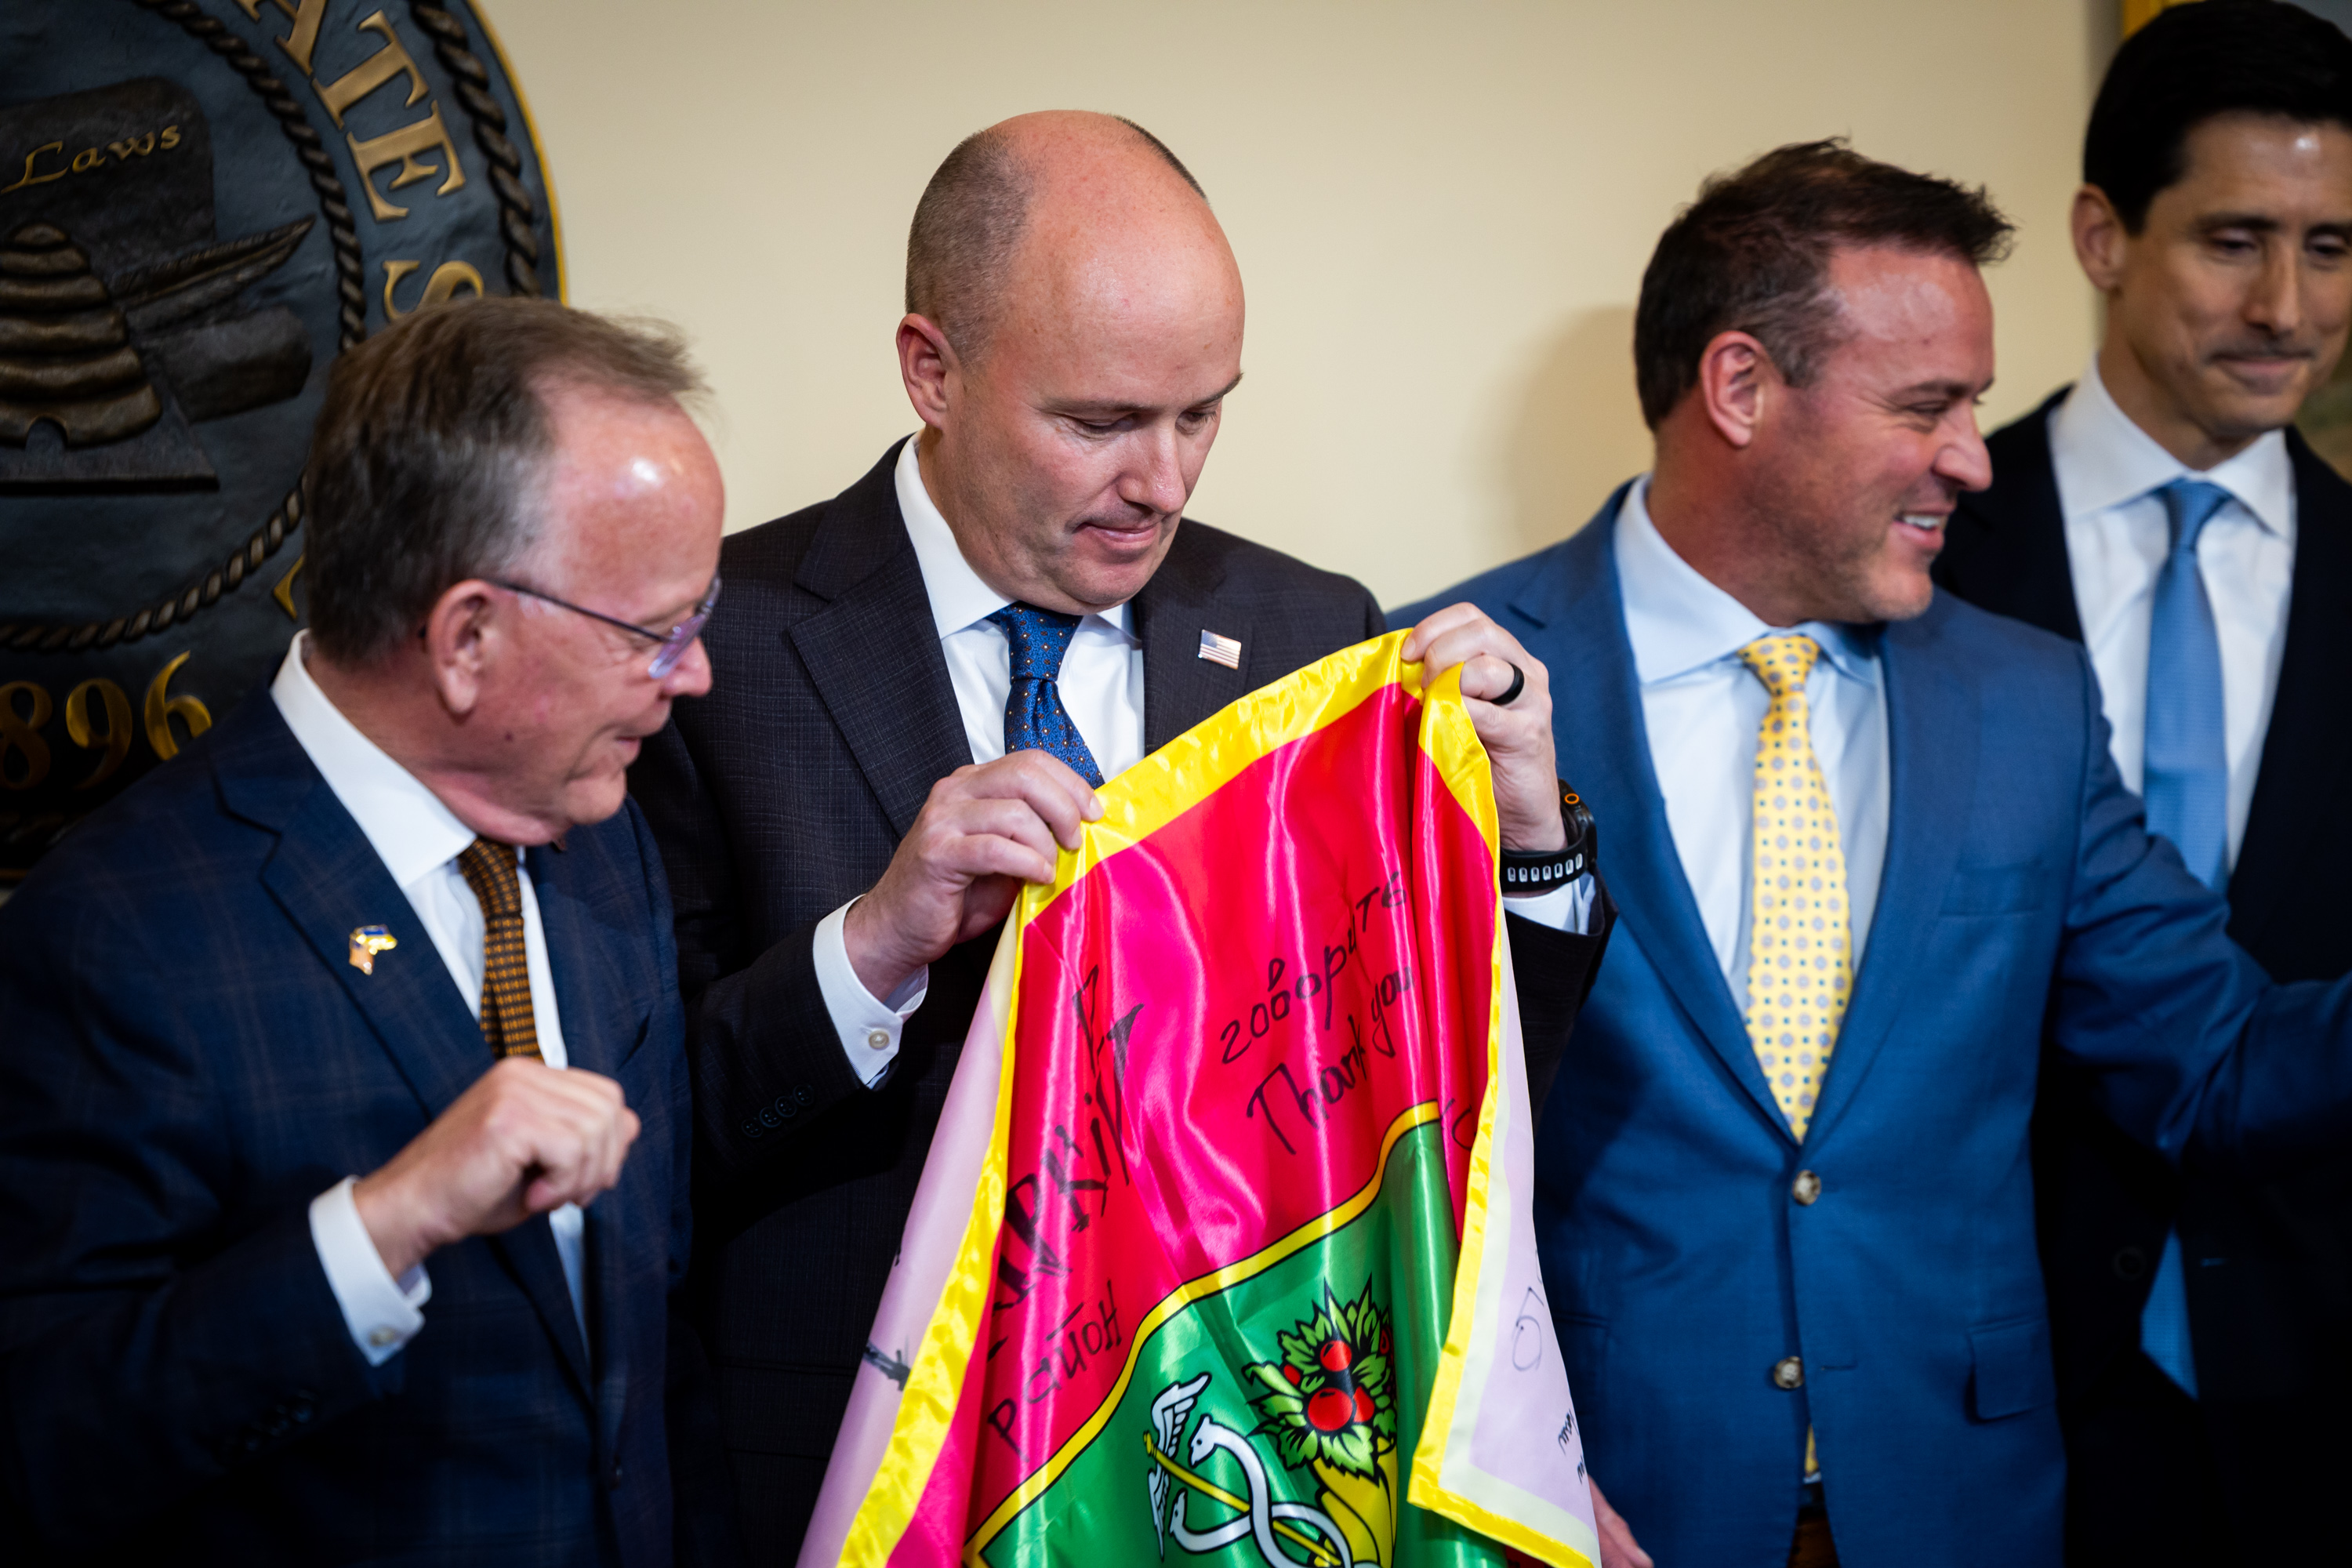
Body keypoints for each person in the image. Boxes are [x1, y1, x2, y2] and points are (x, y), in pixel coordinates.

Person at [626, 110, 1612, 1554]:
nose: (1164, 480)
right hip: (853, 1467)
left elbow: (1433, 1075)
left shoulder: (1304, 629)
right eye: (1098, 423)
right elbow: (646, 1126)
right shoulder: (716, 650)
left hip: (1232, 1481)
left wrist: (1526, 840)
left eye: (1204, 411)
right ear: (932, 369)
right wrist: (875, 947)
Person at [1392, 139, 2352, 1568]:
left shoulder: (2025, 702)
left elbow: (2214, 1061)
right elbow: (1373, 1141)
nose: (1974, 455)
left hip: (1959, 1507)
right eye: (1927, 406)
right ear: (1739, 389)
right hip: (1594, 1503)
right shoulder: (1443, 681)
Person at [0, 299, 739, 1566]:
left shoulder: (604, 837)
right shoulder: (116, 933)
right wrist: (384, 1224)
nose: (696, 674)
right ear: (466, 640)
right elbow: (45, 1445)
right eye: (654, 633)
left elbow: (650, 1346)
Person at [1933, 5, 2352, 1560]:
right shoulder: (1921, 554)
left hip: (2318, 1387)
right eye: (2236, 240)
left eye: (2332, 247)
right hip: (1992, 1392)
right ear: (2102, 234)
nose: (2289, 306)